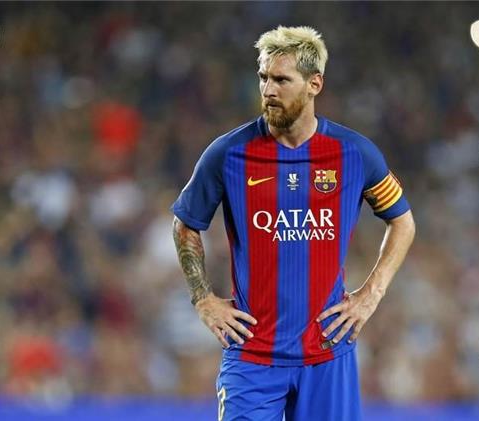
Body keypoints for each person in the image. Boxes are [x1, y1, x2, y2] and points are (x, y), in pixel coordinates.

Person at [171, 25, 415, 421]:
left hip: (327, 353)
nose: (268, 90)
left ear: (314, 84)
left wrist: (372, 294)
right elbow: (185, 223)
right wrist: (203, 299)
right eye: (263, 77)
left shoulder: (355, 153)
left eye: (282, 80)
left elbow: (402, 221)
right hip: (252, 356)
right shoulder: (227, 154)